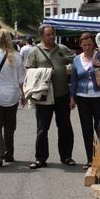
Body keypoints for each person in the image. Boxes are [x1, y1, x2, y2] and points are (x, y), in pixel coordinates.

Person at [25, 24, 75, 169]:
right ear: (42, 36)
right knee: (42, 129)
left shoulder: (62, 49)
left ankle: (66, 157)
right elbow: (28, 71)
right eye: (48, 35)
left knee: (65, 127)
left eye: (53, 34)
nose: (52, 37)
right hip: (44, 96)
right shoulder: (35, 51)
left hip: (62, 95)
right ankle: (40, 159)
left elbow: (75, 61)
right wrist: (45, 72)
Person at [70, 32, 100, 169]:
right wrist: (72, 97)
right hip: (82, 98)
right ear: (80, 45)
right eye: (84, 45)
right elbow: (74, 79)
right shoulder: (76, 60)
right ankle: (90, 159)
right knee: (86, 129)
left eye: (89, 44)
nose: (87, 47)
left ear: (94, 44)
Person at [0, 29, 26, 167]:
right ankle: (9, 153)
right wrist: (23, 95)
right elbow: (21, 79)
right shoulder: (17, 56)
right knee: (10, 126)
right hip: (13, 96)